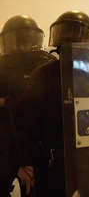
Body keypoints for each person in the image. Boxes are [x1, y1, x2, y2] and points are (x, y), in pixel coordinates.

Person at [16, 10, 89, 197]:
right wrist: (26, 161)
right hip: (55, 160)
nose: (71, 39)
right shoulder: (44, 75)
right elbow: (27, 124)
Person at [0, 15, 57, 197]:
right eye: (18, 41)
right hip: (9, 144)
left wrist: (6, 102)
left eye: (25, 41)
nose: (22, 47)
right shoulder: (48, 64)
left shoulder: (48, 64)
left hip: (36, 144)